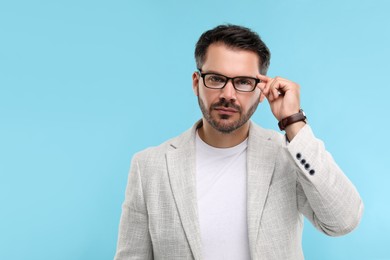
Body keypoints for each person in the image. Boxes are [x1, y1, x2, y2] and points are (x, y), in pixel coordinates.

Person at [114, 24, 363, 260]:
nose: (228, 95)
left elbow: (343, 221)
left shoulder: (288, 156)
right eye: (215, 78)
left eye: (243, 82)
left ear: (261, 90)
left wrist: (293, 122)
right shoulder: (148, 166)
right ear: (196, 82)